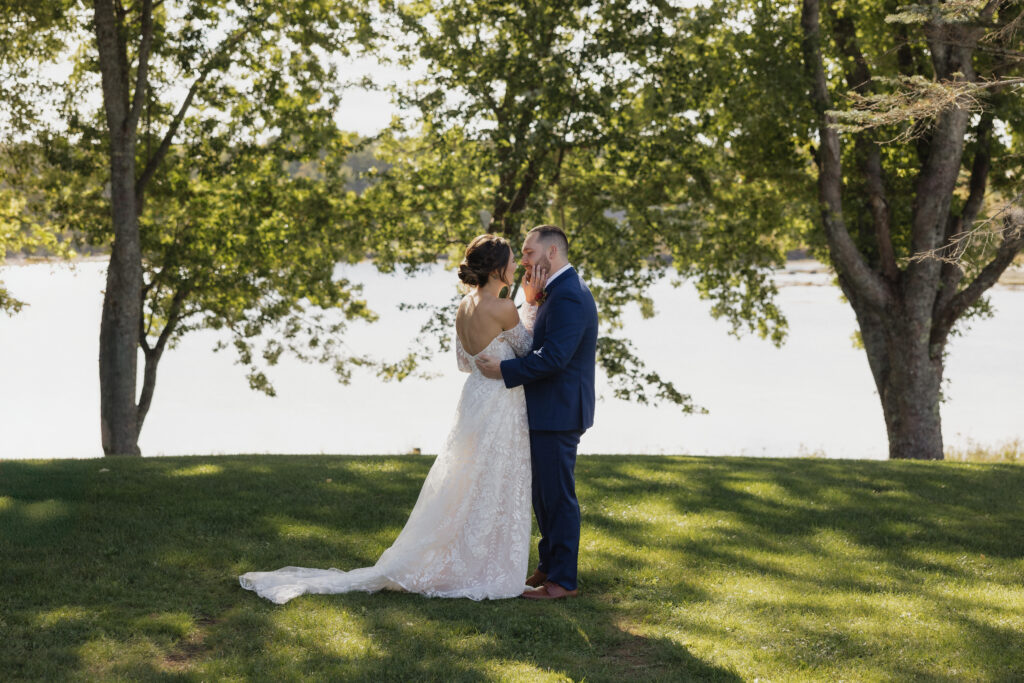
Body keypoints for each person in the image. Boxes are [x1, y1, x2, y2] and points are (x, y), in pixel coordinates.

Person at [239, 234, 548, 603]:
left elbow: (465, 364)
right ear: (498, 268)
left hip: (475, 398)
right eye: (513, 261)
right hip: (499, 401)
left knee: (466, 482)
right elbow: (530, 353)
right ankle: (482, 567)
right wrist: (530, 304)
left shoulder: (465, 306)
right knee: (493, 481)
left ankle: (462, 560)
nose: (517, 267)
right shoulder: (504, 308)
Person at [476, 225, 598, 600]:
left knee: (558, 497)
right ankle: (548, 566)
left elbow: (556, 357)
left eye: (528, 253)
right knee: (543, 495)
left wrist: (504, 371)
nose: (524, 259)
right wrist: (532, 301)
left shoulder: (570, 297)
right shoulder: (552, 293)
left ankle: (563, 581)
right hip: (546, 408)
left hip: (560, 411)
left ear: (552, 254)